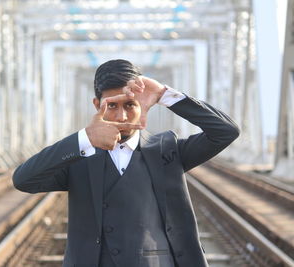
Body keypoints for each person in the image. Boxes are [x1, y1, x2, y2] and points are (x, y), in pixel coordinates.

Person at [12, 59, 240, 267]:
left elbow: (225, 131)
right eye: (112, 106)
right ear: (96, 104)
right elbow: (23, 180)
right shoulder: (79, 156)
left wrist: (164, 95)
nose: (121, 117)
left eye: (130, 105)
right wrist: (84, 139)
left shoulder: (168, 151)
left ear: (142, 104)